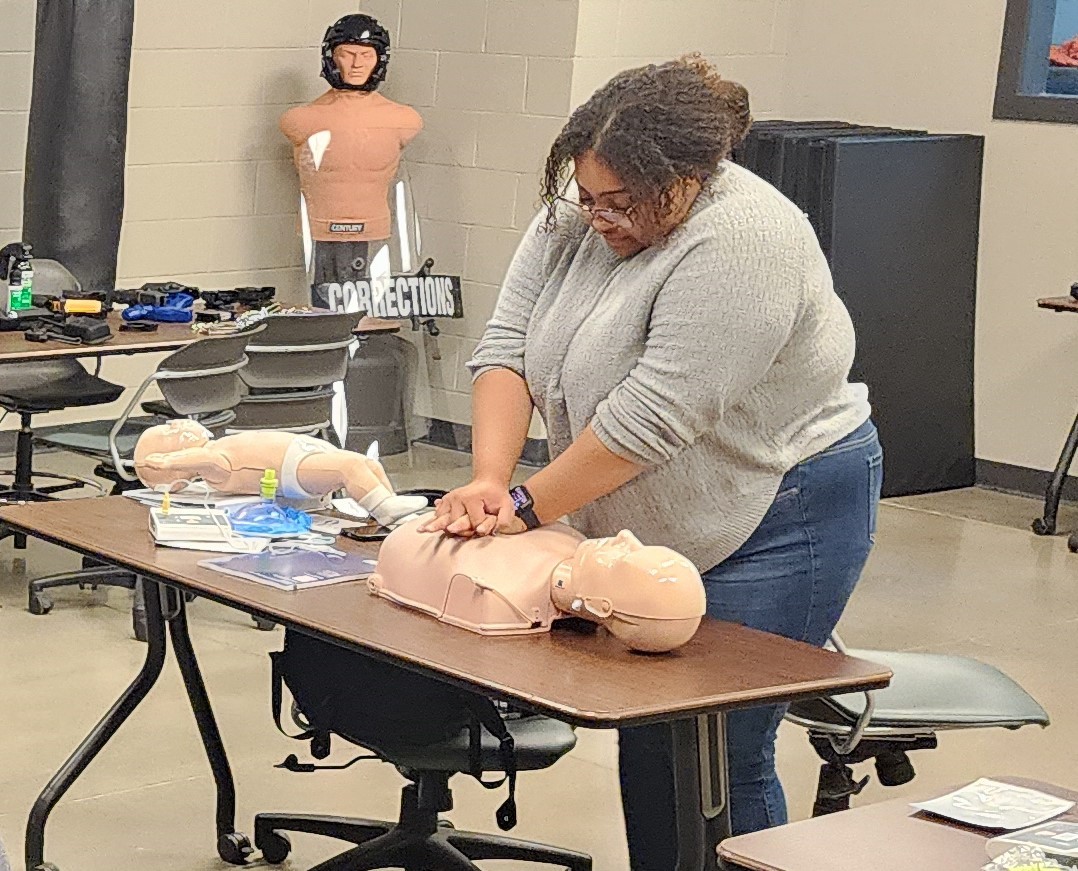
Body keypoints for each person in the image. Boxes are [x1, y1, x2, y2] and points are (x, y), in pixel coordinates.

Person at [419, 54, 883, 866]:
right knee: (652, 733)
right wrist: (489, 479)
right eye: (587, 196)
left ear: (690, 177)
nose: (598, 217)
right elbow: (506, 349)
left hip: (784, 501)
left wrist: (526, 510)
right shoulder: (581, 205)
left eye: (622, 203)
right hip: (648, 493)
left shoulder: (748, 239)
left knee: (718, 744)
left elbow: (652, 418)